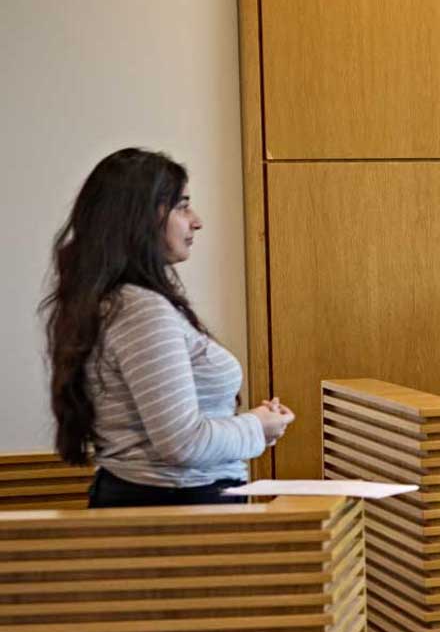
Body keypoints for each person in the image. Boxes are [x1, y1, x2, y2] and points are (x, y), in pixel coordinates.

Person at [43, 148, 292, 507]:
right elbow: (183, 443)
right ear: (139, 218)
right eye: (182, 206)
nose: (196, 221)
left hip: (164, 500)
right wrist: (257, 426)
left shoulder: (120, 301)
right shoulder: (140, 310)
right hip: (173, 507)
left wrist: (252, 426)